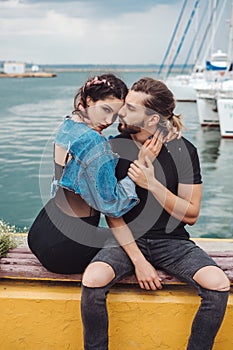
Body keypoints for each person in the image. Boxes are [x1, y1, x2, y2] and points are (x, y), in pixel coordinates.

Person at [81, 77, 230, 350]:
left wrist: (151, 183)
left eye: (131, 108)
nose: (121, 113)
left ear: (152, 120)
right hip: (127, 241)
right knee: (92, 279)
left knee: (218, 285)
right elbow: (112, 214)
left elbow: (191, 214)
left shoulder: (183, 151)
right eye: (124, 105)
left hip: (172, 242)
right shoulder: (112, 149)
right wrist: (139, 262)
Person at [28, 73, 141, 274]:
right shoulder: (96, 142)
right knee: (141, 244)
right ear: (89, 100)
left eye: (115, 115)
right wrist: (137, 170)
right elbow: (113, 205)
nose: (109, 120)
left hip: (41, 230)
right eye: (105, 110)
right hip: (67, 247)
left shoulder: (69, 124)